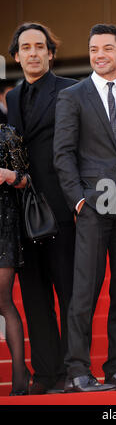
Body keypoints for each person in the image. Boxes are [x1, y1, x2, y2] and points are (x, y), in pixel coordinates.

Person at [53, 24, 116, 392]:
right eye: (94, 49)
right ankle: (77, 371)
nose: (100, 55)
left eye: (108, 48)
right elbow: (62, 154)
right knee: (85, 292)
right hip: (91, 205)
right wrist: (77, 200)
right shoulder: (73, 96)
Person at [6, 22, 77, 394]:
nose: (33, 53)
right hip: (24, 213)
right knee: (34, 298)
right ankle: (45, 373)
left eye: (40, 46)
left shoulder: (71, 91)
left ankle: (70, 371)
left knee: (67, 294)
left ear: (51, 52)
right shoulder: (12, 99)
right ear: (16, 56)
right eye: (25, 48)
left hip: (64, 210)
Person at [0, 124, 29, 395]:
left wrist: (7, 174)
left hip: (3, 226)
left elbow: (26, 179)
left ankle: (20, 374)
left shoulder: (6, 133)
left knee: (3, 301)